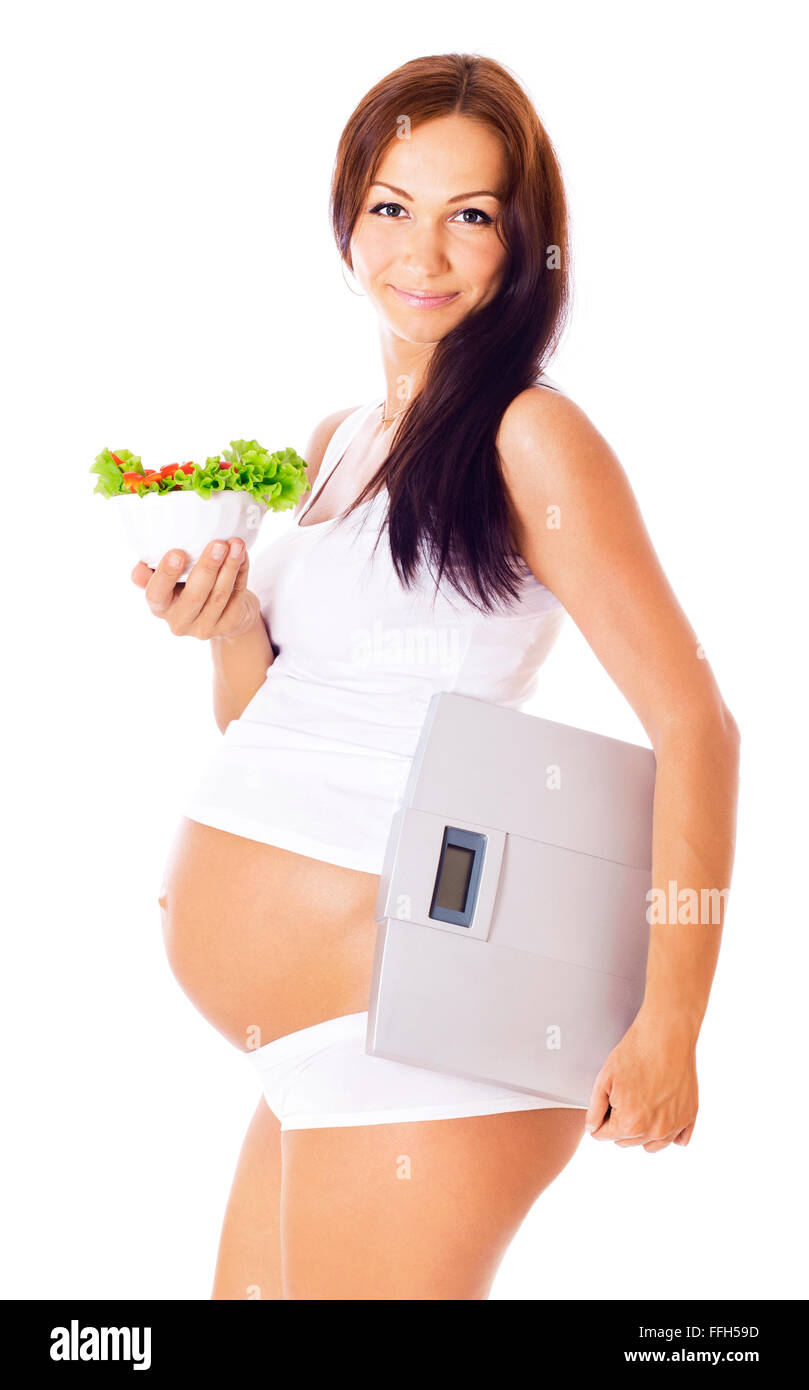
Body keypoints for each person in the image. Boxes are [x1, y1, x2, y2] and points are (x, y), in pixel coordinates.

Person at [133, 53, 741, 1301]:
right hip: (308, 1046)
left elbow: (695, 721)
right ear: (347, 216)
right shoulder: (332, 444)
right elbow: (273, 723)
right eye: (391, 207)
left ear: (522, 244)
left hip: (425, 1031)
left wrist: (672, 1021)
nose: (423, 250)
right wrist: (230, 623)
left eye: (470, 215)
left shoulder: (528, 433)